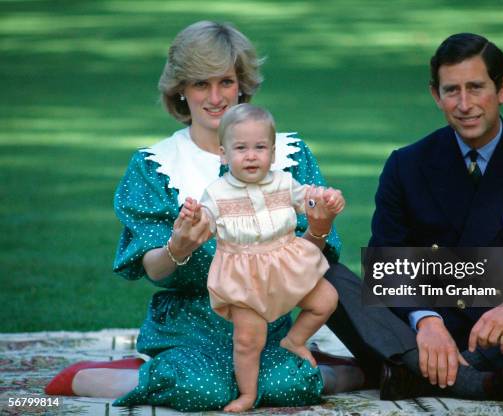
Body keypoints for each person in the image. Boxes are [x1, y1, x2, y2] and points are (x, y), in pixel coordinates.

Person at [44, 21, 363, 412]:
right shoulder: (155, 165)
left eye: (225, 82)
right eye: (200, 84)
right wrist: (178, 247)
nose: (216, 98)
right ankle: (109, 374)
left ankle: (332, 370)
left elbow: (313, 257)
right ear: (180, 89)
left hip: (268, 314)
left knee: (288, 384)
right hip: (190, 320)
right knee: (204, 391)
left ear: (242, 83)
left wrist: (320, 226)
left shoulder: (285, 153)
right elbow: (154, 269)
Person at [332, 32, 503, 402]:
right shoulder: (406, 164)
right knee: (324, 271)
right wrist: (426, 321)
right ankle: (475, 380)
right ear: (436, 95)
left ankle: (410, 372)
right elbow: (387, 266)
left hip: (502, 335)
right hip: (420, 332)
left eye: (476, 87)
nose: (465, 104)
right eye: (452, 91)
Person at [178, 103, 343, 411]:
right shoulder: (217, 193)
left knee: (326, 300)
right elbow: (206, 222)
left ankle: (293, 340)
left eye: (259, 147)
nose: (251, 155)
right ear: (224, 154)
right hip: (244, 277)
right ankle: (248, 394)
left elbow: (307, 198)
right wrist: (194, 219)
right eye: (240, 148)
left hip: (287, 264)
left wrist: (325, 199)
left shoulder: (282, 182)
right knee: (248, 341)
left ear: (273, 152)